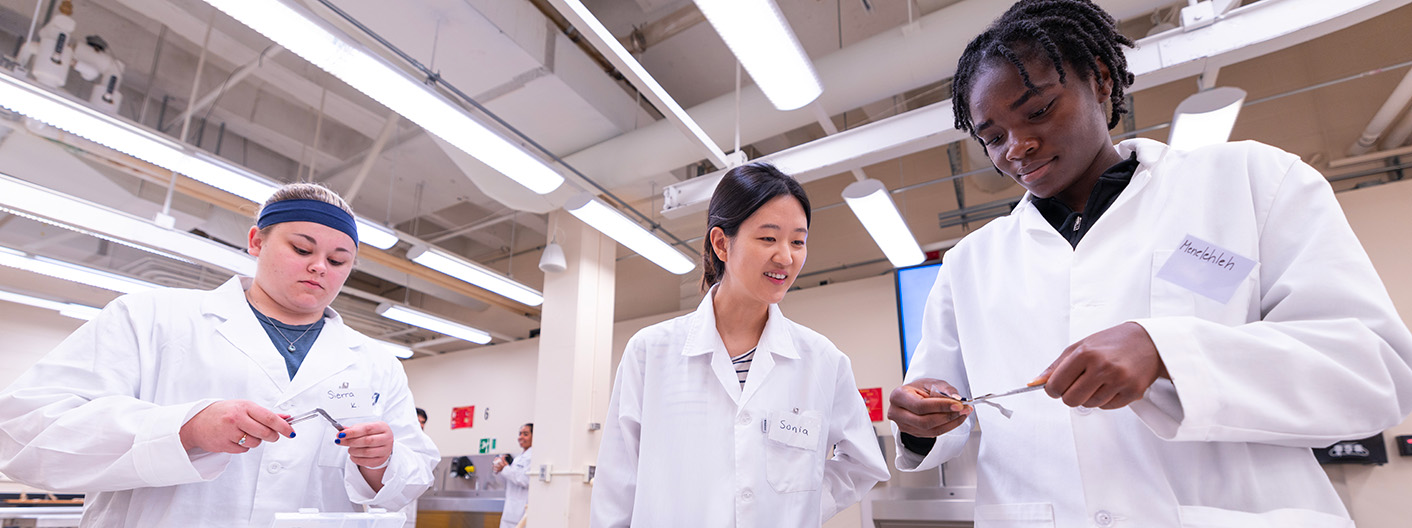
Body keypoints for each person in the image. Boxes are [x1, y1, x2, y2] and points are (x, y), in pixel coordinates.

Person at [886, 1, 1412, 526]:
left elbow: (1377, 372)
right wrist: (919, 418)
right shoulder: (969, 264)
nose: (1018, 147)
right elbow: (940, 405)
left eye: (1039, 110)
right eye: (993, 137)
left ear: (1100, 78)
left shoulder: (1250, 181)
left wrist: (1167, 352)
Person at [0, 183, 441, 527]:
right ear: (256, 241)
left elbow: (414, 473)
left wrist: (381, 462)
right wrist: (185, 429)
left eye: (339, 259)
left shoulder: (376, 364)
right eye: (302, 249)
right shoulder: (149, 318)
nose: (320, 267)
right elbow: (24, 430)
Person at [591, 163, 889, 527]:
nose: (786, 257)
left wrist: (804, 504)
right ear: (721, 243)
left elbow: (862, 462)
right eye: (768, 238)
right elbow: (616, 488)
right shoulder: (650, 353)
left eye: (798, 241)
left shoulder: (823, 360)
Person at [493, 423, 534, 528]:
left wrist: (505, 469)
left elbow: (525, 480)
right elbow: (509, 480)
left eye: (525, 434)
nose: (521, 437)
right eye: (520, 434)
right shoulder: (518, 459)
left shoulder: (533, 457)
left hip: (521, 511)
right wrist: (498, 470)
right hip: (510, 510)